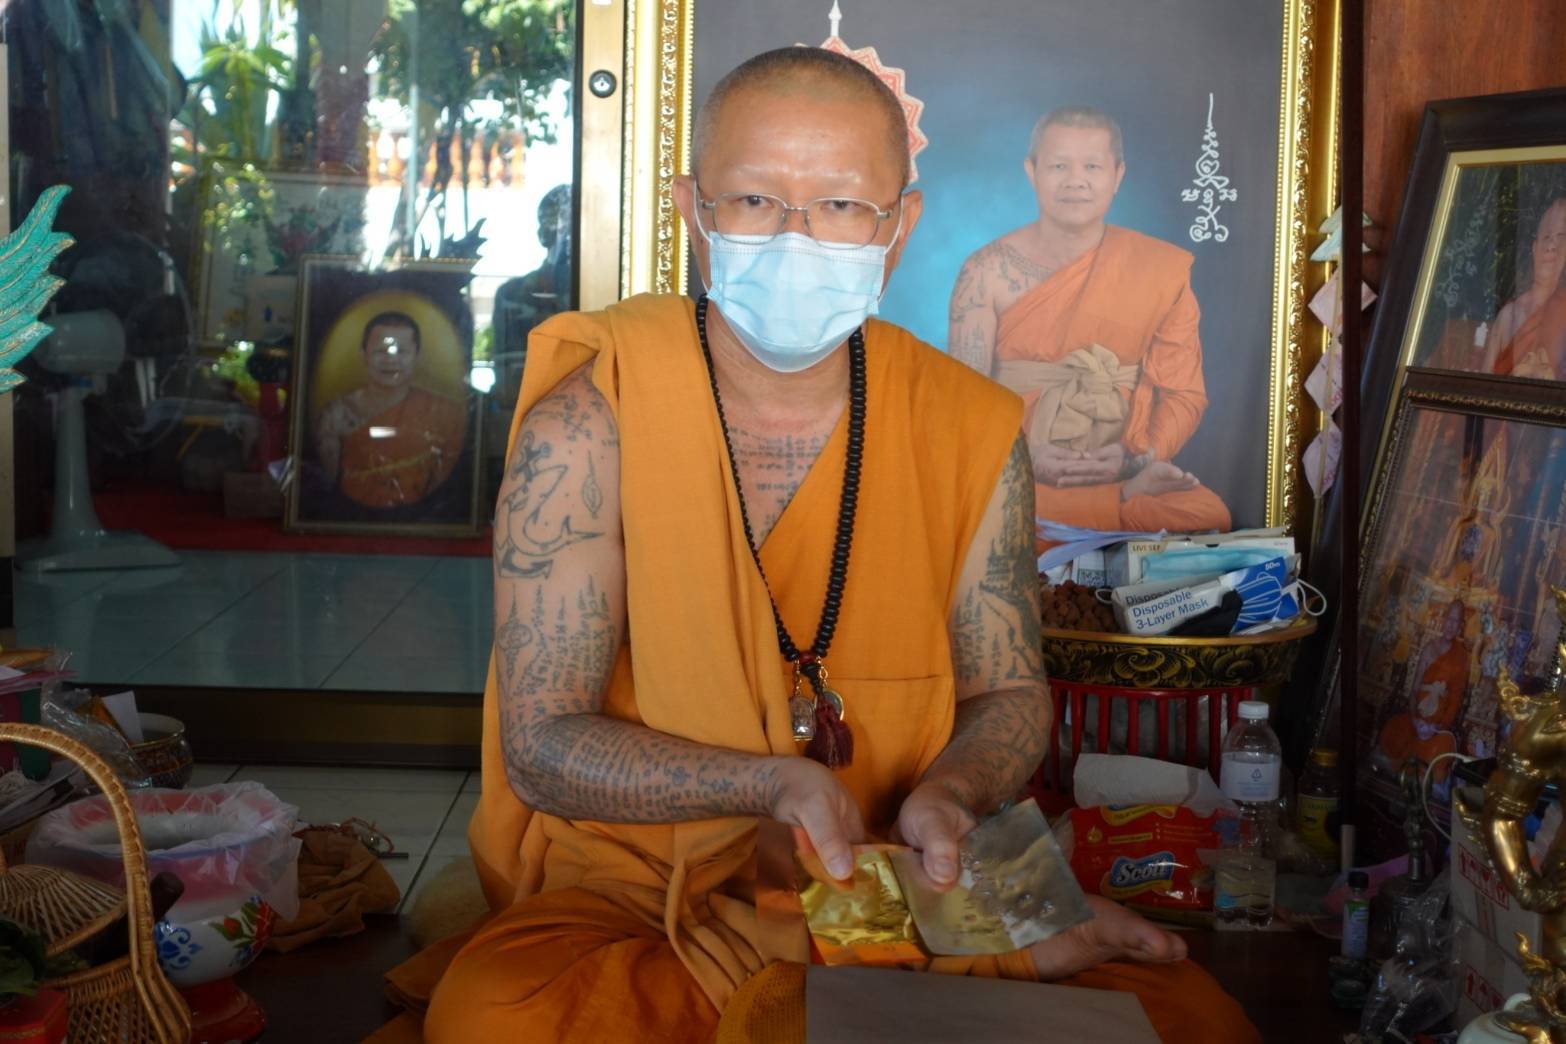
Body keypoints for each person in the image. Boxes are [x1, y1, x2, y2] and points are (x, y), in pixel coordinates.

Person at [378, 49, 1257, 1043]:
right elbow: (541, 746)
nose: (795, 239)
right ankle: (921, 973)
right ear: (693, 211)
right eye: (755, 200)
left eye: (841, 206)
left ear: (899, 227)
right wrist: (767, 784)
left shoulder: (969, 425)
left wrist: (950, 795)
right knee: (500, 1016)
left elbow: (1009, 694)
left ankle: (923, 952)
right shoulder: (592, 420)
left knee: (1196, 1024)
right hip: (647, 884)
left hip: (899, 868)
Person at [948, 106, 1231, 537]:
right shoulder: (986, 271)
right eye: (1059, 166)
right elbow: (962, 402)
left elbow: (1183, 394)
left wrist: (1133, 458)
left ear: (1118, 175)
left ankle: (1082, 510)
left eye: (1093, 167)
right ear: (1032, 172)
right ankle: (1112, 507)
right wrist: (1025, 456)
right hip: (1014, 467)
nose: (1075, 181)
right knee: (962, 502)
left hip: (1118, 464)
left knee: (1207, 514)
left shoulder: (1158, 269)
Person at [314, 311, 466, 508]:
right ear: (363, 354)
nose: (391, 360)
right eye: (380, 351)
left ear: (417, 356)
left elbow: (445, 487)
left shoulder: (444, 413)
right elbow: (328, 484)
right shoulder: (338, 414)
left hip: (420, 516)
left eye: (401, 351)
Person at [1483, 197, 1566, 378]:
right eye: (1546, 237)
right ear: (1535, 249)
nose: (1551, 246)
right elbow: (1484, 385)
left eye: (1561, 238)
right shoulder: (1509, 315)